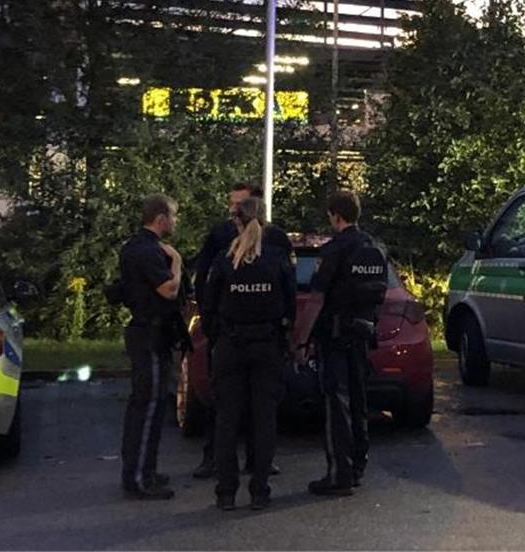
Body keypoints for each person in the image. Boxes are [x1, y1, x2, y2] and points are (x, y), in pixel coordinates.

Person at [191, 182, 293, 479]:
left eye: (238, 205)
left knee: (257, 404)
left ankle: (256, 461)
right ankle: (215, 458)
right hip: (233, 333)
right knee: (223, 402)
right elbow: (205, 278)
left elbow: (285, 287)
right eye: (231, 204)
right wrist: (211, 324)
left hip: (251, 334)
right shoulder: (220, 235)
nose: (233, 210)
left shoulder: (275, 239)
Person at [292, 190, 387, 497]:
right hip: (363, 333)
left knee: (337, 403)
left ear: (335, 215)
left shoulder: (334, 250)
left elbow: (317, 297)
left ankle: (339, 474)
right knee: (359, 402)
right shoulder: (375, 247)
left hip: (334, 335)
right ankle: (358, 466)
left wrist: (302, 339)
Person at [119, 194, 183, 500]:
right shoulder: (148, 251)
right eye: (173, 216)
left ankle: (143, 469)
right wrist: (178, 264)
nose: (175, 221)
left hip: (147, 333)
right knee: (149, 406)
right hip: (150, 334)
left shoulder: (135, 246)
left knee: (146, 405)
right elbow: (169, 291)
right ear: (161, 219)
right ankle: (140, 477)